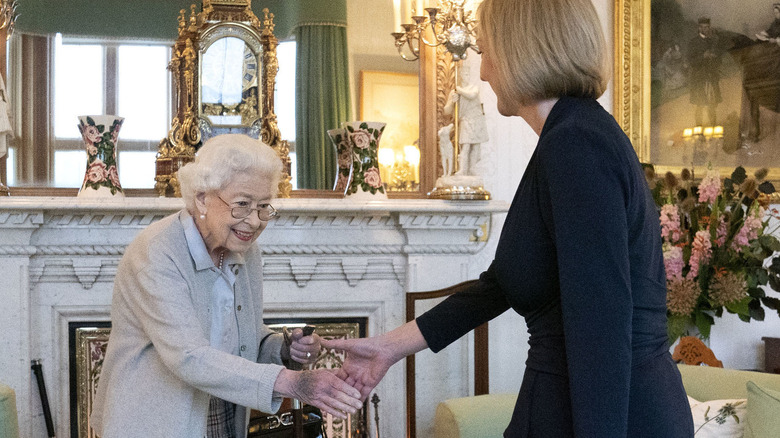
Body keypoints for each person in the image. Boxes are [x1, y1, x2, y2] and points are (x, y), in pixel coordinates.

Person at [322, 0, 694, 436]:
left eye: (488, 53)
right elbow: (503, 283)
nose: (483, 73)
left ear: (523, 51)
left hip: (612, 414)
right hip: (574, 404)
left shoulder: (576, 144)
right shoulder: (571, 135)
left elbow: (601, 327)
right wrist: (388, 347)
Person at [90, 134, 362, 438]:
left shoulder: (245, 250)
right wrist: (292, 382)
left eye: (263, 206)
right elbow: (188, 355)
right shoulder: (156, 252)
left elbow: (242, 337)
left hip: (224, 412)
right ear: (202, 197)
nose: (254, 221)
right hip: (155, 420)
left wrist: (284, 348)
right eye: (242, 204)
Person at [443, 63, 489, 175]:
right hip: (466, 121)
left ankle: (472, 168)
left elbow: (472, 95)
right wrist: (452, 102)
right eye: (464, 74)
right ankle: (462, 170)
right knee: (466, 146)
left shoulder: (473, 88)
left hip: (477, 120)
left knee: (476, 147)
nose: (466, 76)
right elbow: (446, 111)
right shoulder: (454, 92)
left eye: (468, 74)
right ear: (460, 76)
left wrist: (460, 90)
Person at [687, 17, 723, 126]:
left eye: (707, 27)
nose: (705, 29)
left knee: (712, 105)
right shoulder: (693, 42)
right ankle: (699, 131)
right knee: (699, 105)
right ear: (699, 28)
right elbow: (691, 61)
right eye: (702, 27)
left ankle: (713, 129)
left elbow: (720, 60)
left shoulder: (714, 41)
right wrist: (703, 56)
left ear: (709, 27)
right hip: (699, 79)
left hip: (711, 78)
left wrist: (715, 57)